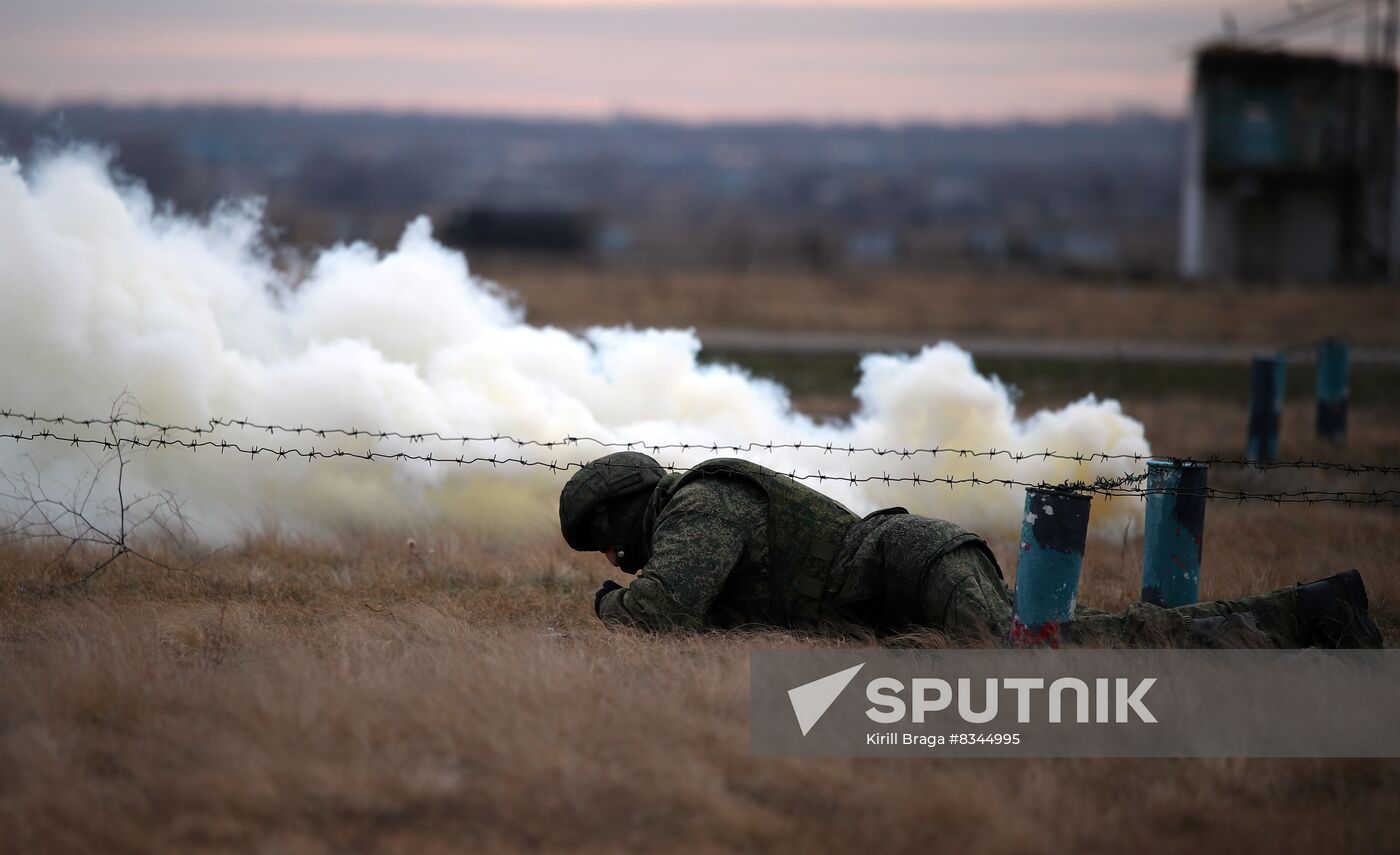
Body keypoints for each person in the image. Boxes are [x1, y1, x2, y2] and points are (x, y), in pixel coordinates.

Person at [558, 452, 1383, 648]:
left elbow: (660, 611)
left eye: (605, 538)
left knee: (1021, 685)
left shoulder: (699, 503)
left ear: (631, 505)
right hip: (892, 599)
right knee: (1088, 647)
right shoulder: (692, 516)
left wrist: (604, 610)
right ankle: (1314, 615)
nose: (612, 558)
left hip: (913, 563)